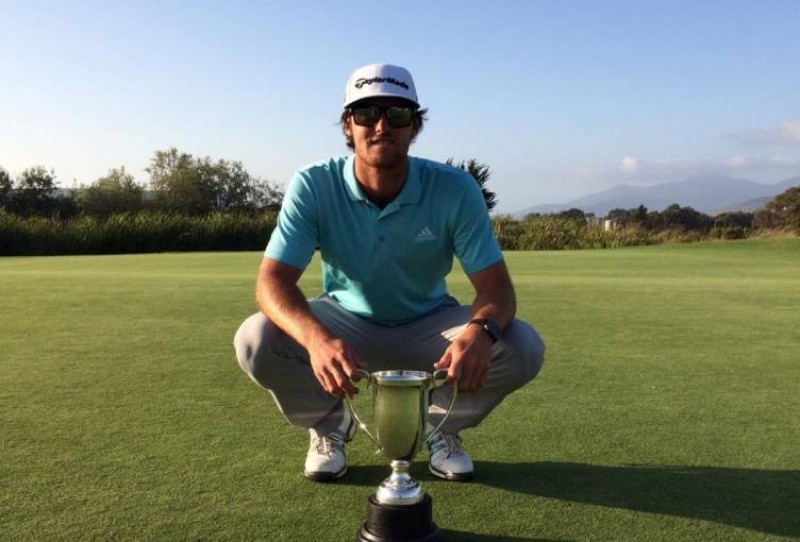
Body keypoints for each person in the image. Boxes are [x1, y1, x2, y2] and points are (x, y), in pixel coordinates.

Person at [234, 63, 545, 483]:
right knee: (254, 339)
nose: (381, 126)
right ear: (348, 125)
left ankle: (438, 426)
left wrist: (480, 332)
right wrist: (317, 339)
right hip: (344, 321)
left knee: (522, 345)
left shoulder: (455, 188)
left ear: (414, 126)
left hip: (430, 326)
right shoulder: (313, 184)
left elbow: (497, 290)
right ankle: (329, 425)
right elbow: (272, 281)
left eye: (397, 114)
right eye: (366, 114)